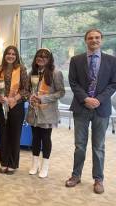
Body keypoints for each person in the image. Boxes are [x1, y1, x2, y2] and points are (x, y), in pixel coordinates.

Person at [65, 29, 116, 194]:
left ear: (101, 40)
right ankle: (76, 175)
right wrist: (86, 99)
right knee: (80, 145)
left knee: (98, 146)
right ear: (85, 40)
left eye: (97, 38)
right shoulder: (76, 60)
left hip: (102, 108)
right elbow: (73, 82)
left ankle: (98, 179)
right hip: (81, 107)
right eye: (90, 38)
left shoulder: (112, 60)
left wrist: (98, 99)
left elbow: (113, 84)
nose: (94, 40)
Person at [26, 48, 65, 178]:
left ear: (49, 59)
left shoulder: (56, 73)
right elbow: (27, 90)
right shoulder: (32, 73)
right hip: (34, 111)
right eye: (39, 56)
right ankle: (34, 164)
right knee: (35, 138)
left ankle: (45, 166)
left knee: (45, 138)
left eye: (45, 56)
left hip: (47, 112)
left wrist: (43, 98)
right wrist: (29, 97)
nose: (41, 58)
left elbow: (61, 92)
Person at [0, 46, 29, 175]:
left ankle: (13, 163)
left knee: (14, 135)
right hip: (0, 106)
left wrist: (13, 99)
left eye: (13, 54)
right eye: (8, 53)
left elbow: (26, 89)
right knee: (3, 135)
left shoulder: (21, 69)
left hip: (16, 106)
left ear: (17, 56)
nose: (10, 56)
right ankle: (4, 162)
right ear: (5, 55)